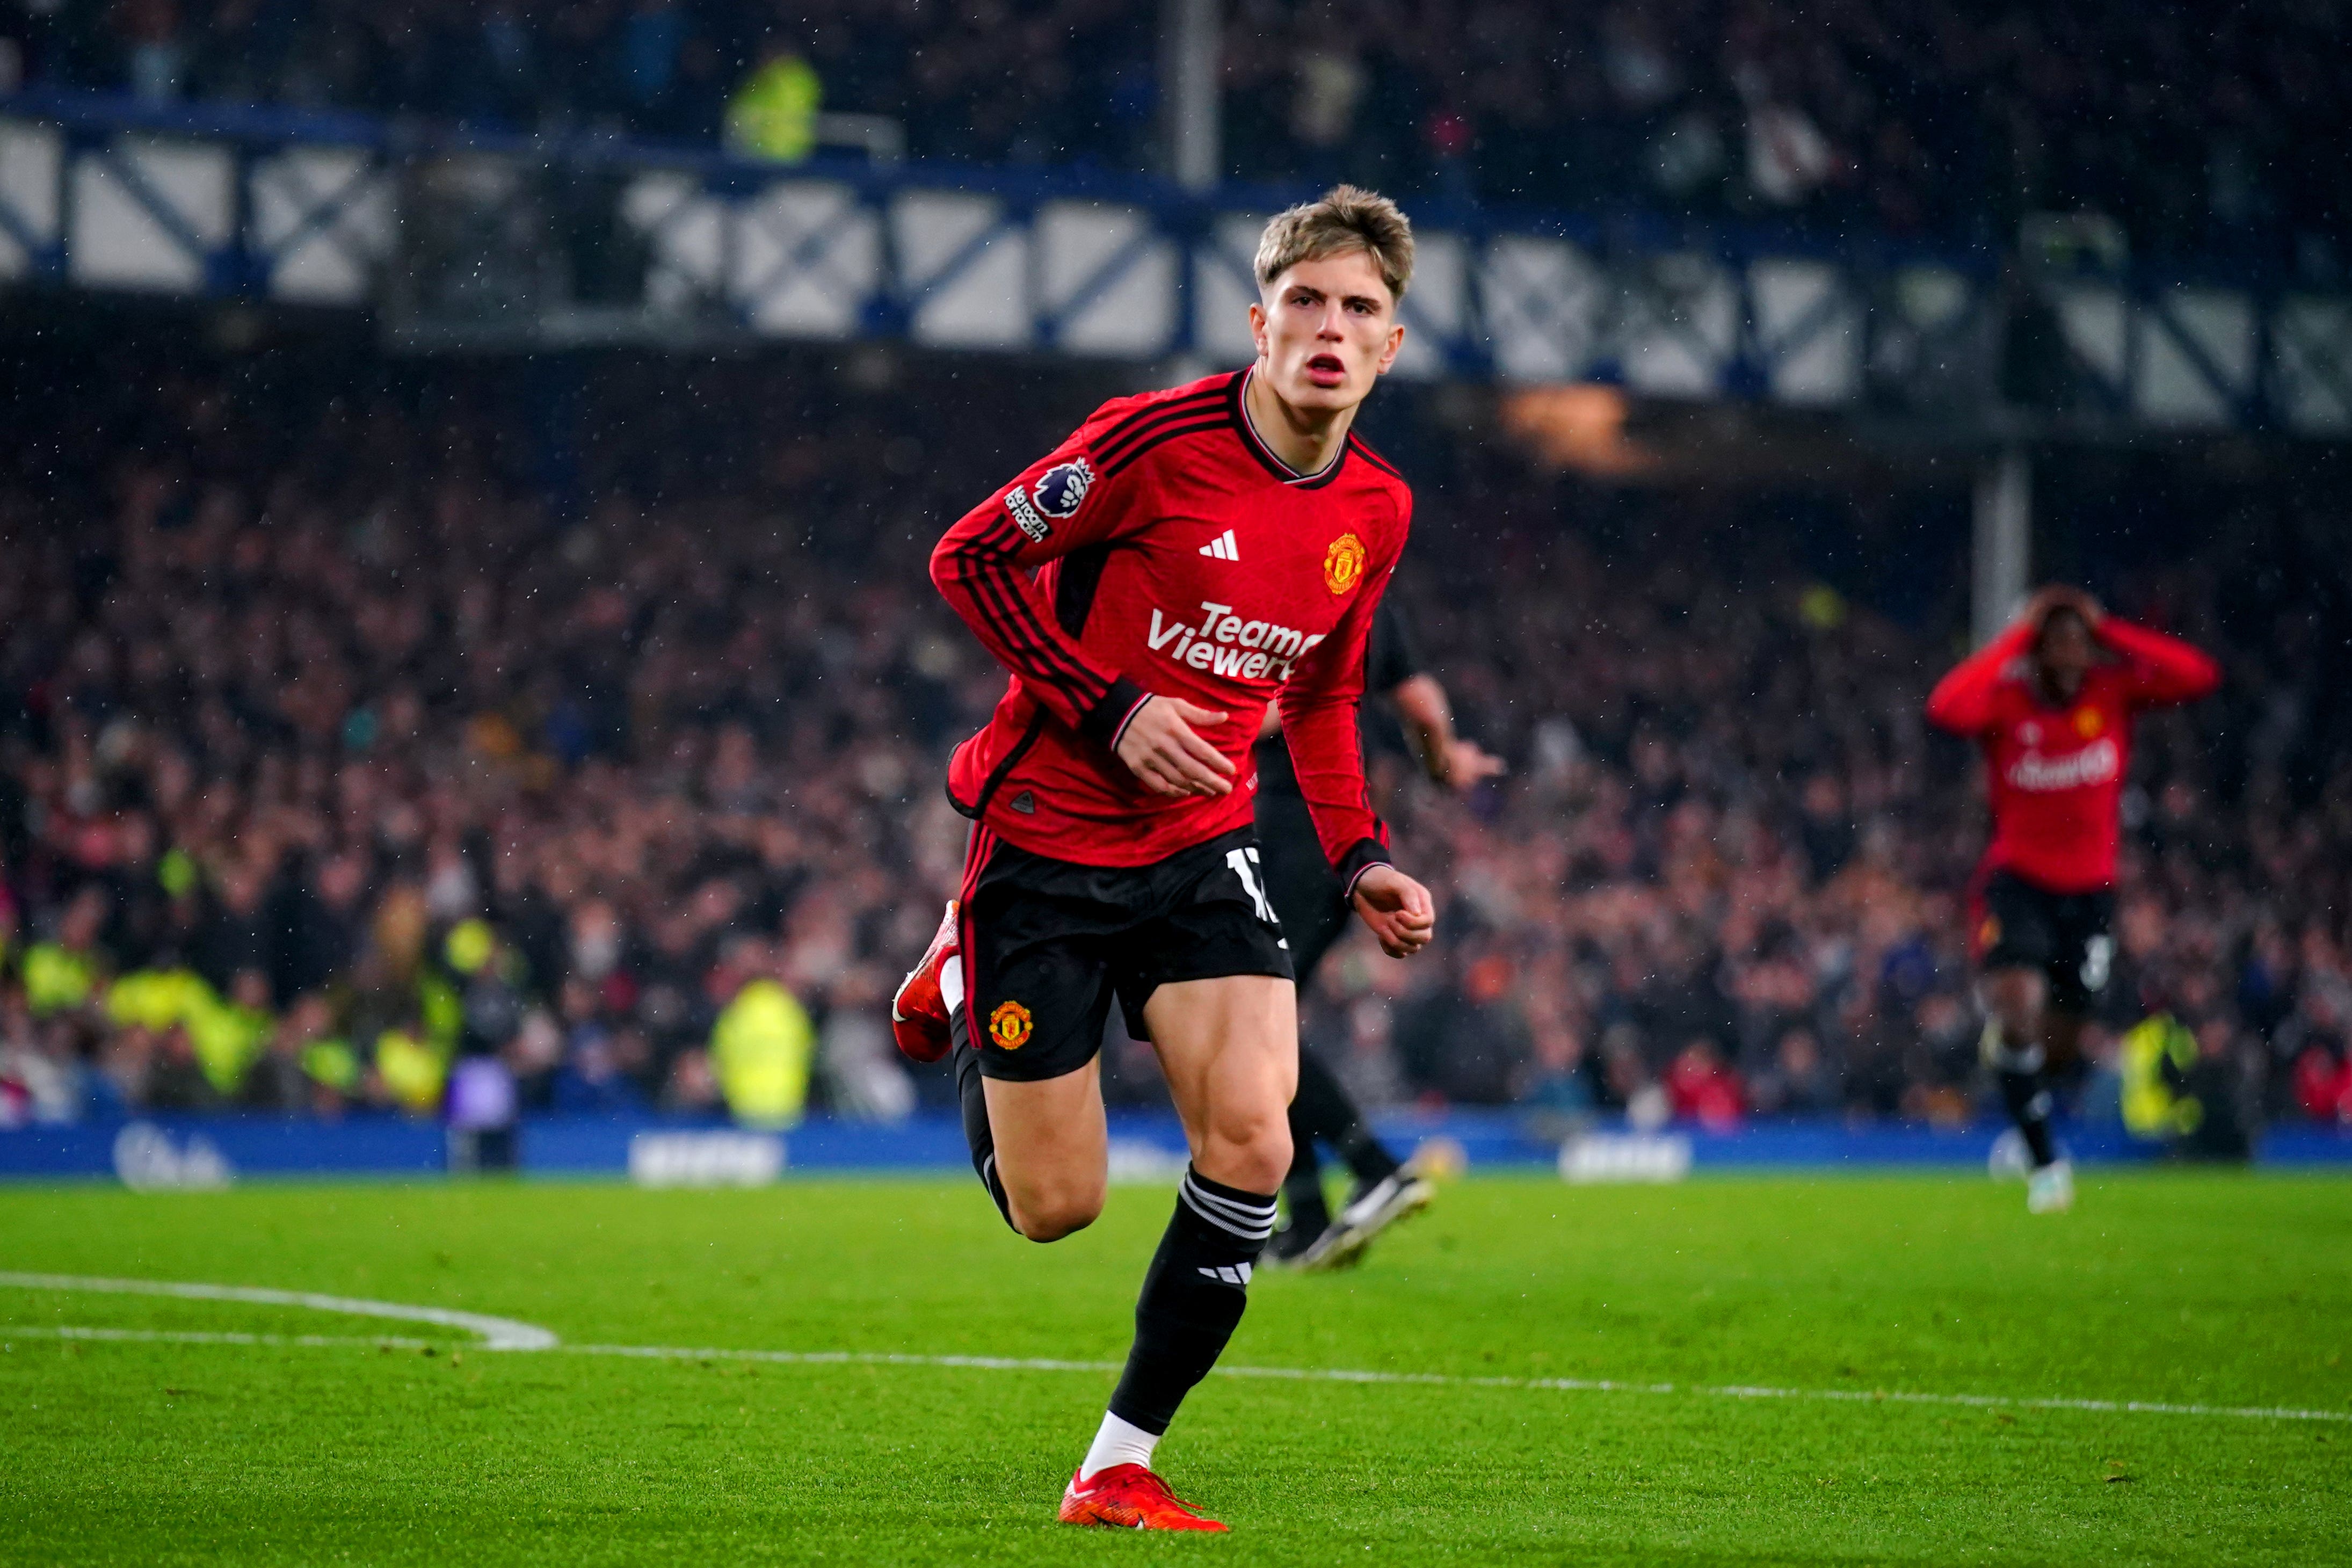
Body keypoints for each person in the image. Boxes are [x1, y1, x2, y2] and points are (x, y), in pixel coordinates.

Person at [890, 186, 1435, 1531]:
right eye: (1304, 300)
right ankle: (963, 973)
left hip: (1204, 848)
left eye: (1357, 308)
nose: (1328, 325)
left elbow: (1316, 694)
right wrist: (1110, 709)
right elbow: (967, 559)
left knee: (1252, 1139)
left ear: (1388, 348)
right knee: (1054, 1208)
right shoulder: (1149, 445)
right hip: (1047, 845)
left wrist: (1359, 852)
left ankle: (1113, 1463)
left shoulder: (1376, 504)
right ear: (1259, 325)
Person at [1925, 585, 2218, 1214]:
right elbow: (1946, 706)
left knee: (2058, 1043)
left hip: (2090, 896)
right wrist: (2010, 640)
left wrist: (2111, 629)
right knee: (2019, 1006)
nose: (2066, 654)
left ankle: (2014, 1074)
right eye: (2051, 642)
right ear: (2033, 651)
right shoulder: (2007, 704)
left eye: (2076, 642)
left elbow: (2197, 675)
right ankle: (2045, 1162)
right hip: (2018, 883)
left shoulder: (2111, 694)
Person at [1254, 613, 1501, 1267]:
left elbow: (1275, 710)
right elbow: (1420, 702)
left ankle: (1376, 1169)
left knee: (1251, 1025)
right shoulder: (1361, 591)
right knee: (1260, 1030)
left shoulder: (1270, 582)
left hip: (1285, 836)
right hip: (1346, 841)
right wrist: (1444, 762)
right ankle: (1307, 1217)